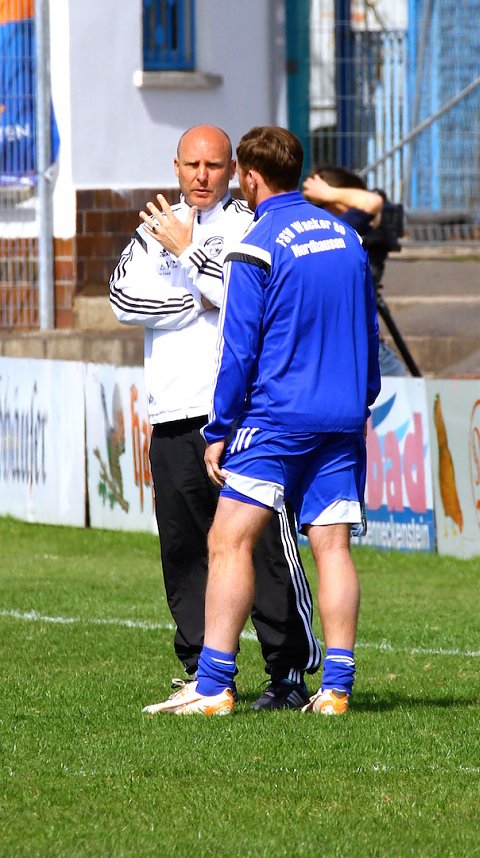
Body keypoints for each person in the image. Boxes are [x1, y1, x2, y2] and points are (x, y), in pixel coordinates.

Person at [109, 125, 321, 713]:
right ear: (176, 166)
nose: (202, 176)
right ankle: (206, 677)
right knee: (184, 552)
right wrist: (192, 300)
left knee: (264, 548)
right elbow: (123, 299)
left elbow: (246, 298)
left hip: (240, 417)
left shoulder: (248, 224)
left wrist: (191, 260)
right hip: (172, 414)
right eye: (192, 164)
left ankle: (287, 673)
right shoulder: (156, 224)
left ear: (232, 170)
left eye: (214, 165)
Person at [174, 125, 381, 717]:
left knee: (228, 540)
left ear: (250, 177)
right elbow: (368, 330)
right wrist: (362, 398)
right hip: (343, 416)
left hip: (277, 418)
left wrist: (219, 429)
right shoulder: (347, 237)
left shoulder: (255, 243)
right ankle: (336, 689)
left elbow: (238, 350)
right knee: (332, 547)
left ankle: (213, 685)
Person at [302, 167, 407, 377]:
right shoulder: (336, 230)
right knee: (398, 383)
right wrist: (329, 193)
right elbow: (371, 202)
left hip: (333, 342)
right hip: (351, 343)